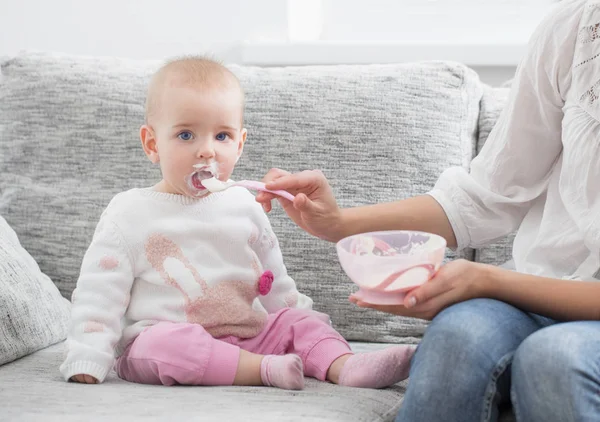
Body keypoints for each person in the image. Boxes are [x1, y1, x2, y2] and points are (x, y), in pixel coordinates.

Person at [256, 0, 600, 420]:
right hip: (536, 296)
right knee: (458, 338)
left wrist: (487, 280)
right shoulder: (578, 29)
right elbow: (484, 197)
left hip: (564, 316)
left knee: (555, 359)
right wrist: (338, 224)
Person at [59, 56, 415, 390]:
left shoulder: (244, 205)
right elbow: (99, 293)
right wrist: (88, 355)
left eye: (222, 136)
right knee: (163, 345)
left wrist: (300, 323)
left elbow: (275, 280)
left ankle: (345, 365)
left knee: (298, 322)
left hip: (250, 334)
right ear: (152, 144)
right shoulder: (129, 213)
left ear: (240, 144)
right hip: (164, 338)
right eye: (186, 135)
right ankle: (262, 371)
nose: (207, 151)